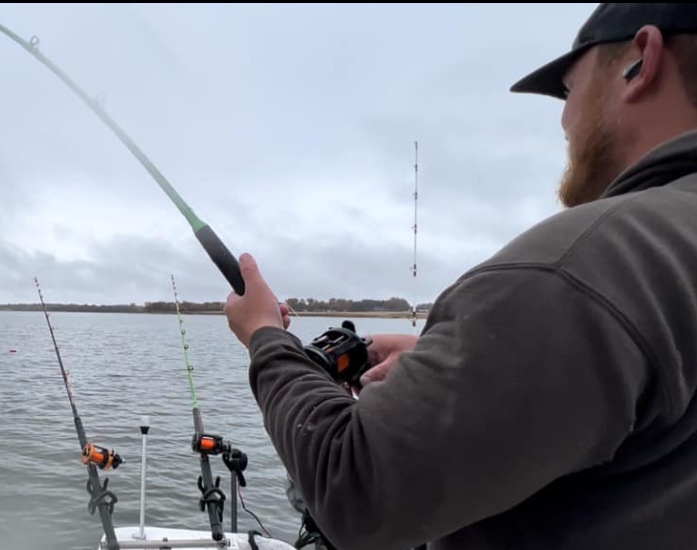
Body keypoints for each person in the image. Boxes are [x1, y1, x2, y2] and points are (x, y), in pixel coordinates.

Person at [223, 4, 697, 549]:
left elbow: (353, 483)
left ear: (642, 59)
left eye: (567, 92)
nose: (565, 120)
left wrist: (266, 338)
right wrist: (465, 357)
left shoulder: (577, 269)